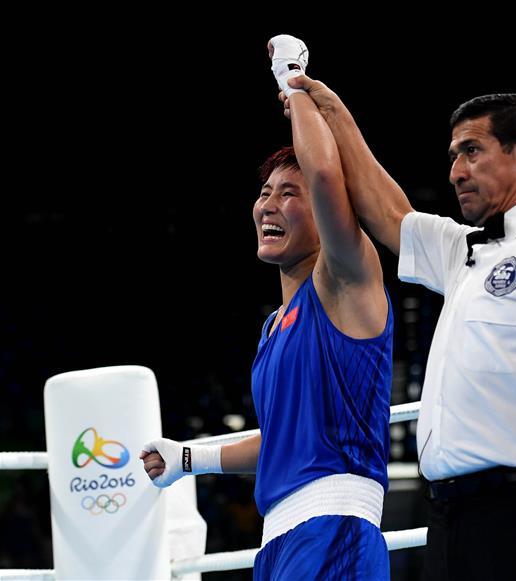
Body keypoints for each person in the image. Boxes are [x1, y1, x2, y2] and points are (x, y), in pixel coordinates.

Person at [279, 56, 516, 580]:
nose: (455, 171)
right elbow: (386, 210)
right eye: (453, 155)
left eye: (472, 151)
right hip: (449, 516)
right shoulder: (463, 251)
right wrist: (331, 110)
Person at [140, 36, 394, 580]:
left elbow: (326, 175)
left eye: (288, 193)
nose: (268, 205)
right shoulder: (274, 326)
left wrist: (291, 82)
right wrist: (189, 459)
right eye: (265, 192)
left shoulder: (346, 279)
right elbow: (282, 438)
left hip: (335, 527)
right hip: (278, 538)